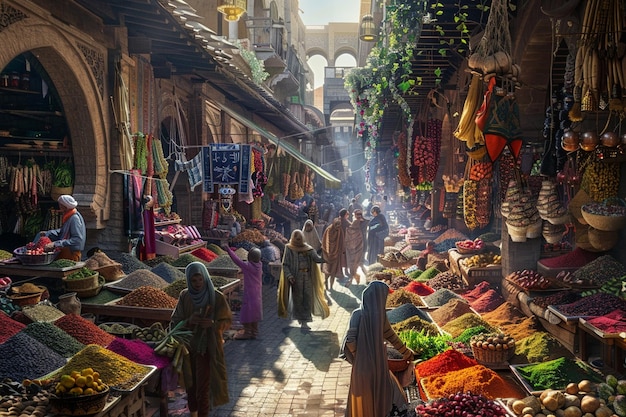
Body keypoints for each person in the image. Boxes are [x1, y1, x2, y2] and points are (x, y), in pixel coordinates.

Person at [341, 280, 414, 417]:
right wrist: (407, 353)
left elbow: (350, 340)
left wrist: (359, 357)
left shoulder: (358, 314)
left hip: (362, 368)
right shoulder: (380, 317)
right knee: (386, 394)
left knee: (365, 399)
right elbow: (392, 337)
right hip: (378, 365)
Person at [170, 262, 232, 417]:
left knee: (203, 387)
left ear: (205, 278)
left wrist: (213, 324)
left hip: (207, 349)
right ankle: (194, 412)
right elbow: (175, 321)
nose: (198, 284)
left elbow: (226, 321)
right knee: (190, 384)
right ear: (188, 281)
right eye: (193, 281)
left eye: (200, 279)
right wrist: (189, 320)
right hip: (187, 349)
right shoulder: (185, 295)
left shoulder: (216, 297)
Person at [277, 229, 329, 330]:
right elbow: (285, 264)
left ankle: (306, 319)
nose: (298, 240)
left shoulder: (308, 249)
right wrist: (289, 276)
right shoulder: (289, 248)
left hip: (307, 276)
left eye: (300, 238)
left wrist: (327, 257)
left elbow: (316, 259)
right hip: (296, 278)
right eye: (296, 238)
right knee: (298, 298)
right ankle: (302, 321)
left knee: (308, 297)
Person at [223, 245, 263, 340]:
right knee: (254, 313)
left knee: (247, 313)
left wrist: (228, 250)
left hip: (249, 294)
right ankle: (254, 331)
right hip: (257, 294)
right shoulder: (259, 265)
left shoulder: (248, 266)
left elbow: (237, 260)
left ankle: (248, 332)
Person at [40, 194, 86, 261]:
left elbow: (77, 239)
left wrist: (55, 244)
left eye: (60, 205)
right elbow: (63, 231)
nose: (59, 207)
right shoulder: (68, 216)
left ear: (65, 206)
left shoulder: (74, 218)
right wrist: (48, 233)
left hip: (71, 253)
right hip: (64, 252)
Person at [321, 208, 349, 290]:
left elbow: (342, 241)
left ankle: (331, 287)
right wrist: (328, 252)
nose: (338, 227)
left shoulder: (340, 231)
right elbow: (325, 242)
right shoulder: (328, 230)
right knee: (327, 272)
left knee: (333, 272)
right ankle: (326, 284)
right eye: (336, 225)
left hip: (336, 255)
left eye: (339, 225)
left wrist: (342, 251)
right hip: (328, 255)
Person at [344, 209, 365, 285]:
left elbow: (350, 231)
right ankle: (354, 278)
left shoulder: (356, 222)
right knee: (356, 262)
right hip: (360, 245)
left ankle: (352, 279)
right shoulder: (364, 221)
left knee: (352, 263)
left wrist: (346, 229)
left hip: (353, 247)